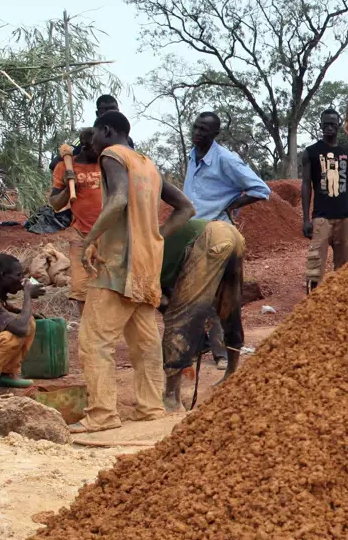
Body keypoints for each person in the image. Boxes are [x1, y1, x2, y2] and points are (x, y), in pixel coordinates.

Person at [76, 111, 195, 433]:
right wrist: (156, 235)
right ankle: (150, 408)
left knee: (94, 341)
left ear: (106, 130)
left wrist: (89, 240)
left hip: (117, 264)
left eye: (92, 138)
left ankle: (101, 414)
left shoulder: (112, 155)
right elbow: (186, 208)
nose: (91, 145)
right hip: (147, 266)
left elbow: (116, 201)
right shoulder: (148, 164)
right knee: (144, 343)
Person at [184, 111, 269, 368]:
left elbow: (261, 189)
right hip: (194, 232)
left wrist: (231, 204)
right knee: (192, 292)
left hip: (217, 233)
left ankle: (223, 354)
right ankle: (202, 346)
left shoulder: (225, 159)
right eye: (196, 128)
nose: (198, 133)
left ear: (215, 134)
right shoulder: (192, 155)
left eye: (204, 130)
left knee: (219, 294)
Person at [160, 217, 246, 411]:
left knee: (178, 319)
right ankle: (232, 373)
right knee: (229, 306)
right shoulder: (162, 243)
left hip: (209, 241)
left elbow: (169, 306)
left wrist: (193, 321)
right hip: (231, 233)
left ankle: (171, 397)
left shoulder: (146, 261)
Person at [302, 108, 348, 291]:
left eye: (333, 124)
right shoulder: (310, 152)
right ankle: (311, 305)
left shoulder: (347, 153)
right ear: (320, 126)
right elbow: (306, 185)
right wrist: (305, 219)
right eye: (326, 124)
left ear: (338, 126)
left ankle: (342, 306)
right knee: (315, 265)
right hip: (321, 217)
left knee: (344, 267)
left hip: (345, 217)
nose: (329, 128)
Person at [49, 128, 104, 303]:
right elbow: (55, 204)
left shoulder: (107, 163)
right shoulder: (64, 167)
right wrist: (67, 187)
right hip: (80, 233)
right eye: (97, 148)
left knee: (108, 287)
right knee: (81, 289)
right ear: (87, 146)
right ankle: (87, 328)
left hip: (108, 232)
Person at [0, 253, 42, 390]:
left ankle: (5, 374)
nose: (21, 280)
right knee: (9, 337)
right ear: (2, 275)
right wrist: (27, 296)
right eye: (18, 275)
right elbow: (21, 328)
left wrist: (26, 311)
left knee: (29, 321)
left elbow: (13, 315)